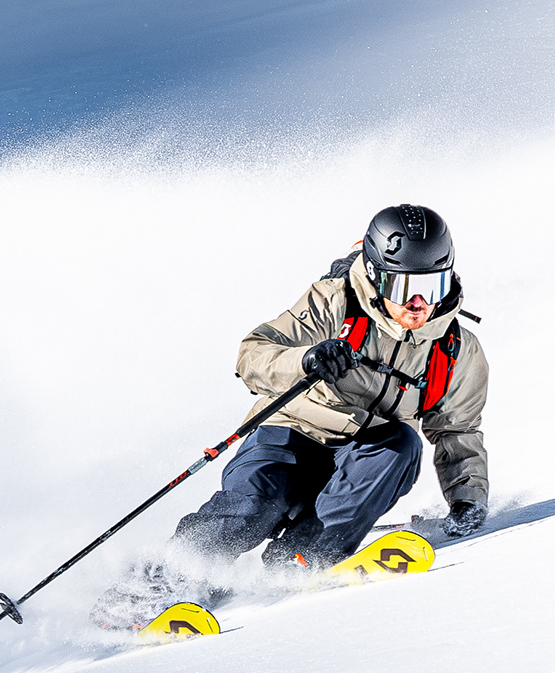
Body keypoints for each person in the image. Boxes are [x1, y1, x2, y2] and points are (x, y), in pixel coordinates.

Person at [165, 203, 492, 576]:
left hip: (366, 459)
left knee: (404, 444)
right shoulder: (335, 301)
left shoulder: (456, 349)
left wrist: (468, 500)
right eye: (403, 287)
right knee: (253, 509)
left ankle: (304, 557)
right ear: (376, 275)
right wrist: (306, 359)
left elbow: (457, 430)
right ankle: (168, 575)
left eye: (431, 286)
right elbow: (252, 355)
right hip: (290, 434)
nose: (419, 304)